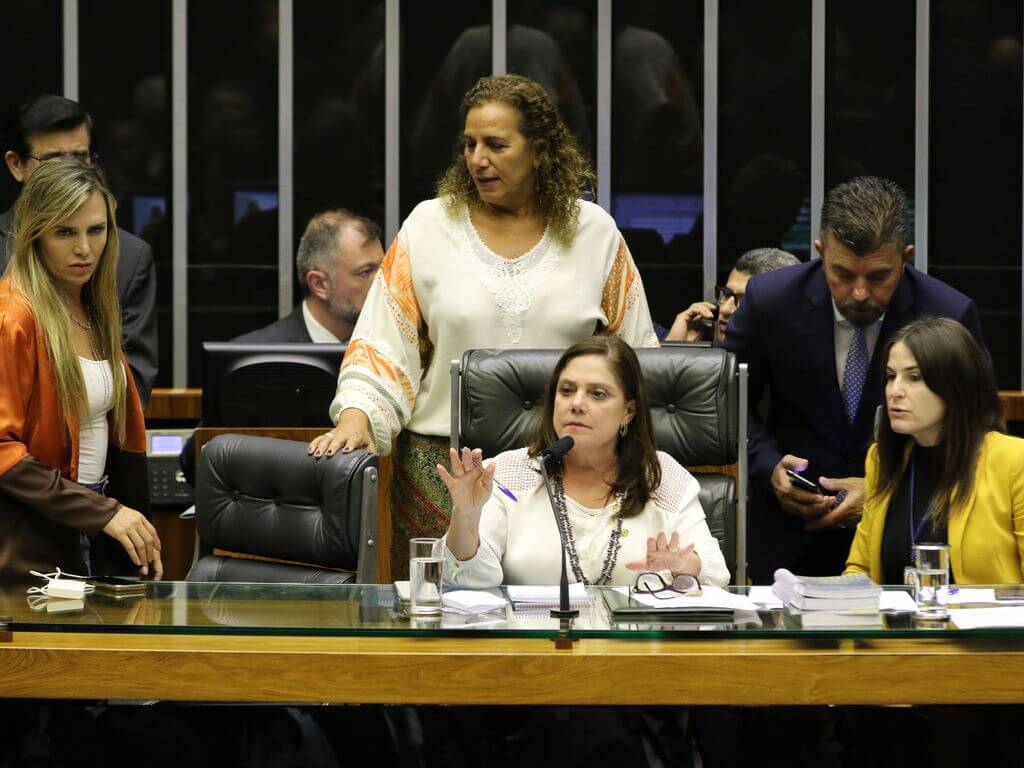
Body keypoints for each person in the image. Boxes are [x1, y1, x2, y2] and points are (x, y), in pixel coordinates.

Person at [308, 74, 659, 579]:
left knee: (556, 626)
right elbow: (383, 347)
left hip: (567, 468)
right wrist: (357, 416)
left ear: (538, 150)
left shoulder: (594, 232)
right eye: (469, 144)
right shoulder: (428, 226)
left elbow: (637, 360)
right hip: (440, 474)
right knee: (443, 629)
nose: (477, 158)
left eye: (496, 144)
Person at [724, 176, 984, 583]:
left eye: (879, 277)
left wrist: (884, 485)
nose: (859, 293)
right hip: (786, 533)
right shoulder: (771, 301)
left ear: (906, 258)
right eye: (842, 273)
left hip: (904, 535)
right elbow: (728, 402)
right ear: (820, 252)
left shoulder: (947, 313)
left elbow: (972, 426)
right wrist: (769, 465)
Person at [440, 336, 728, 588]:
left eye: (597, 394)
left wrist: (684, 565)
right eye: (566, 391)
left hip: (636, 646)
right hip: (530, 644)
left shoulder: (660, 476)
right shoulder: (508, 473)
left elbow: (716, 574)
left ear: (628, 411)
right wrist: (466, 515)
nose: (576, 403)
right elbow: (468, 580)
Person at [0, 157, 162, 581]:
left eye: (96, 230)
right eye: (65, 232)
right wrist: (101, 512)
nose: (84, 248)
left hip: (102, 520)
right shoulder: (14, 315)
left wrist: (121, 516)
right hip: (36, 534)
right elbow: (2, 448)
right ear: (35, 234)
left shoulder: (93, 303)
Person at [2, 95, 158, 405]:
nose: (68, 172)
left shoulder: (128, 257)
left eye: (79, 157)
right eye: (54, 160)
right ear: (16, 165)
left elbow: (134, 389)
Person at [845, 317, 1024, 583]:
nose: (895, 391)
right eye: (891, 377)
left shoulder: (1013, 460)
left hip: (986, 624)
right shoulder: (881, 460)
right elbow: (861, 570)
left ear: (955, 386)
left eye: (914, 377)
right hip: (898, 623)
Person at [235, 208, 383, 344]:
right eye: (365, 272)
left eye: (383, 269)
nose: (384, 282)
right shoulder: (258, 358)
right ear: (319, 284)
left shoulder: (394, 349)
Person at [666, 247, 800, 343]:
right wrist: (678, 353)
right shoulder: (702, 355)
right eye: (726, 294)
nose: (724, 309)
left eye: (745, 299)